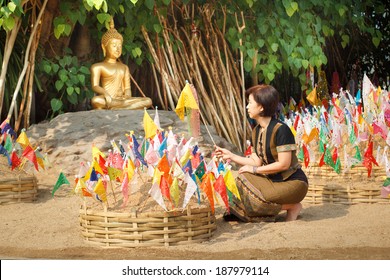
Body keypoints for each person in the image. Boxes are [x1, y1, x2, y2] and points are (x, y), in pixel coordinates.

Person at [215, 84, 308, 222]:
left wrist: (255, 170)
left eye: (250, 103)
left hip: (293, 182)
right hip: (272, 180)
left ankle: (293, 206)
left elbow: (283, 164)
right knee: (242, 178)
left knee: (255, 198)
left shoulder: (281, 130)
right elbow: (255, 161)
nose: (247, 107)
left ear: (261, 107)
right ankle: (282, 208)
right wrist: (231, 156)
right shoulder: (256, 131)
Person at [90, 18, 152, 110]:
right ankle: (127, 108)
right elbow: (95, 86)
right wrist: (105, 93)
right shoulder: (98, 67)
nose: (117, 49)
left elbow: (127, 88)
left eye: (119, 46)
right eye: (114, 46)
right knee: (96, 100)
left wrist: (126, 96)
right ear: (104, 47)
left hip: (122, 101)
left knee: (148, 101)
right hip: (107, 99)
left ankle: (119, 108)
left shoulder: (124, 67)